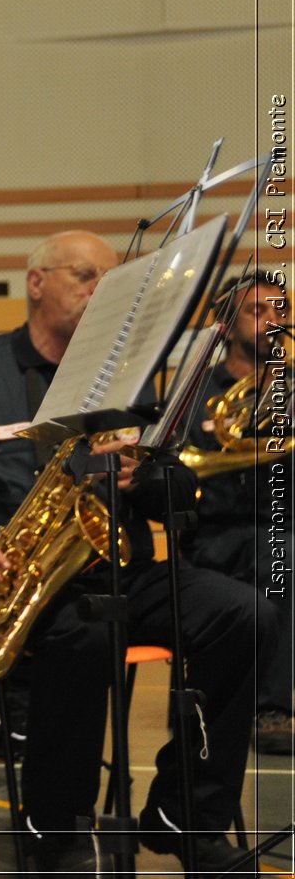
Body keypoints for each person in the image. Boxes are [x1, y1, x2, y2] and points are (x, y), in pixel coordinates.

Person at [0, 230, 271, 875]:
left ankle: (185, 817)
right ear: (37, 283)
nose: (100, 292)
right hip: (7, 578)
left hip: (117, 567)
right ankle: (56, 832)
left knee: (244, 615)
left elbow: (181, 488)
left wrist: (143, 478)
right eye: (85, 276)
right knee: (85, 639)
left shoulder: (132, 377)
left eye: (110, 281)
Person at [180, 270, 293, 754]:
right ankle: (273, 708)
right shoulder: (192, 393)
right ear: (225, 326)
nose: (273, 321)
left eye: (280, 311)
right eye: (257, 311)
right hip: (215, 534)